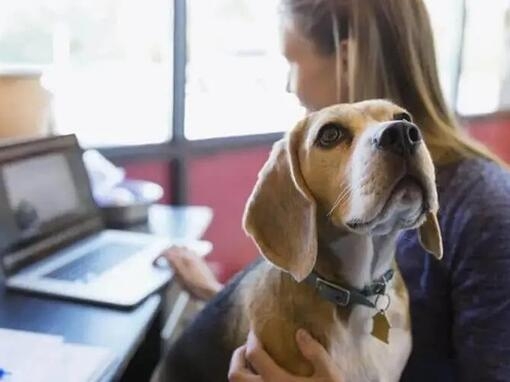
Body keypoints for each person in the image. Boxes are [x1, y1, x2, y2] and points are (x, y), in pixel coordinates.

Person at [162, 0, 510, 380]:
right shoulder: (349, 228)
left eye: (291, 62)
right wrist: (223, 301)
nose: (289, 85)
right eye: (333, 134)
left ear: (348, 57)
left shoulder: (488, 206)